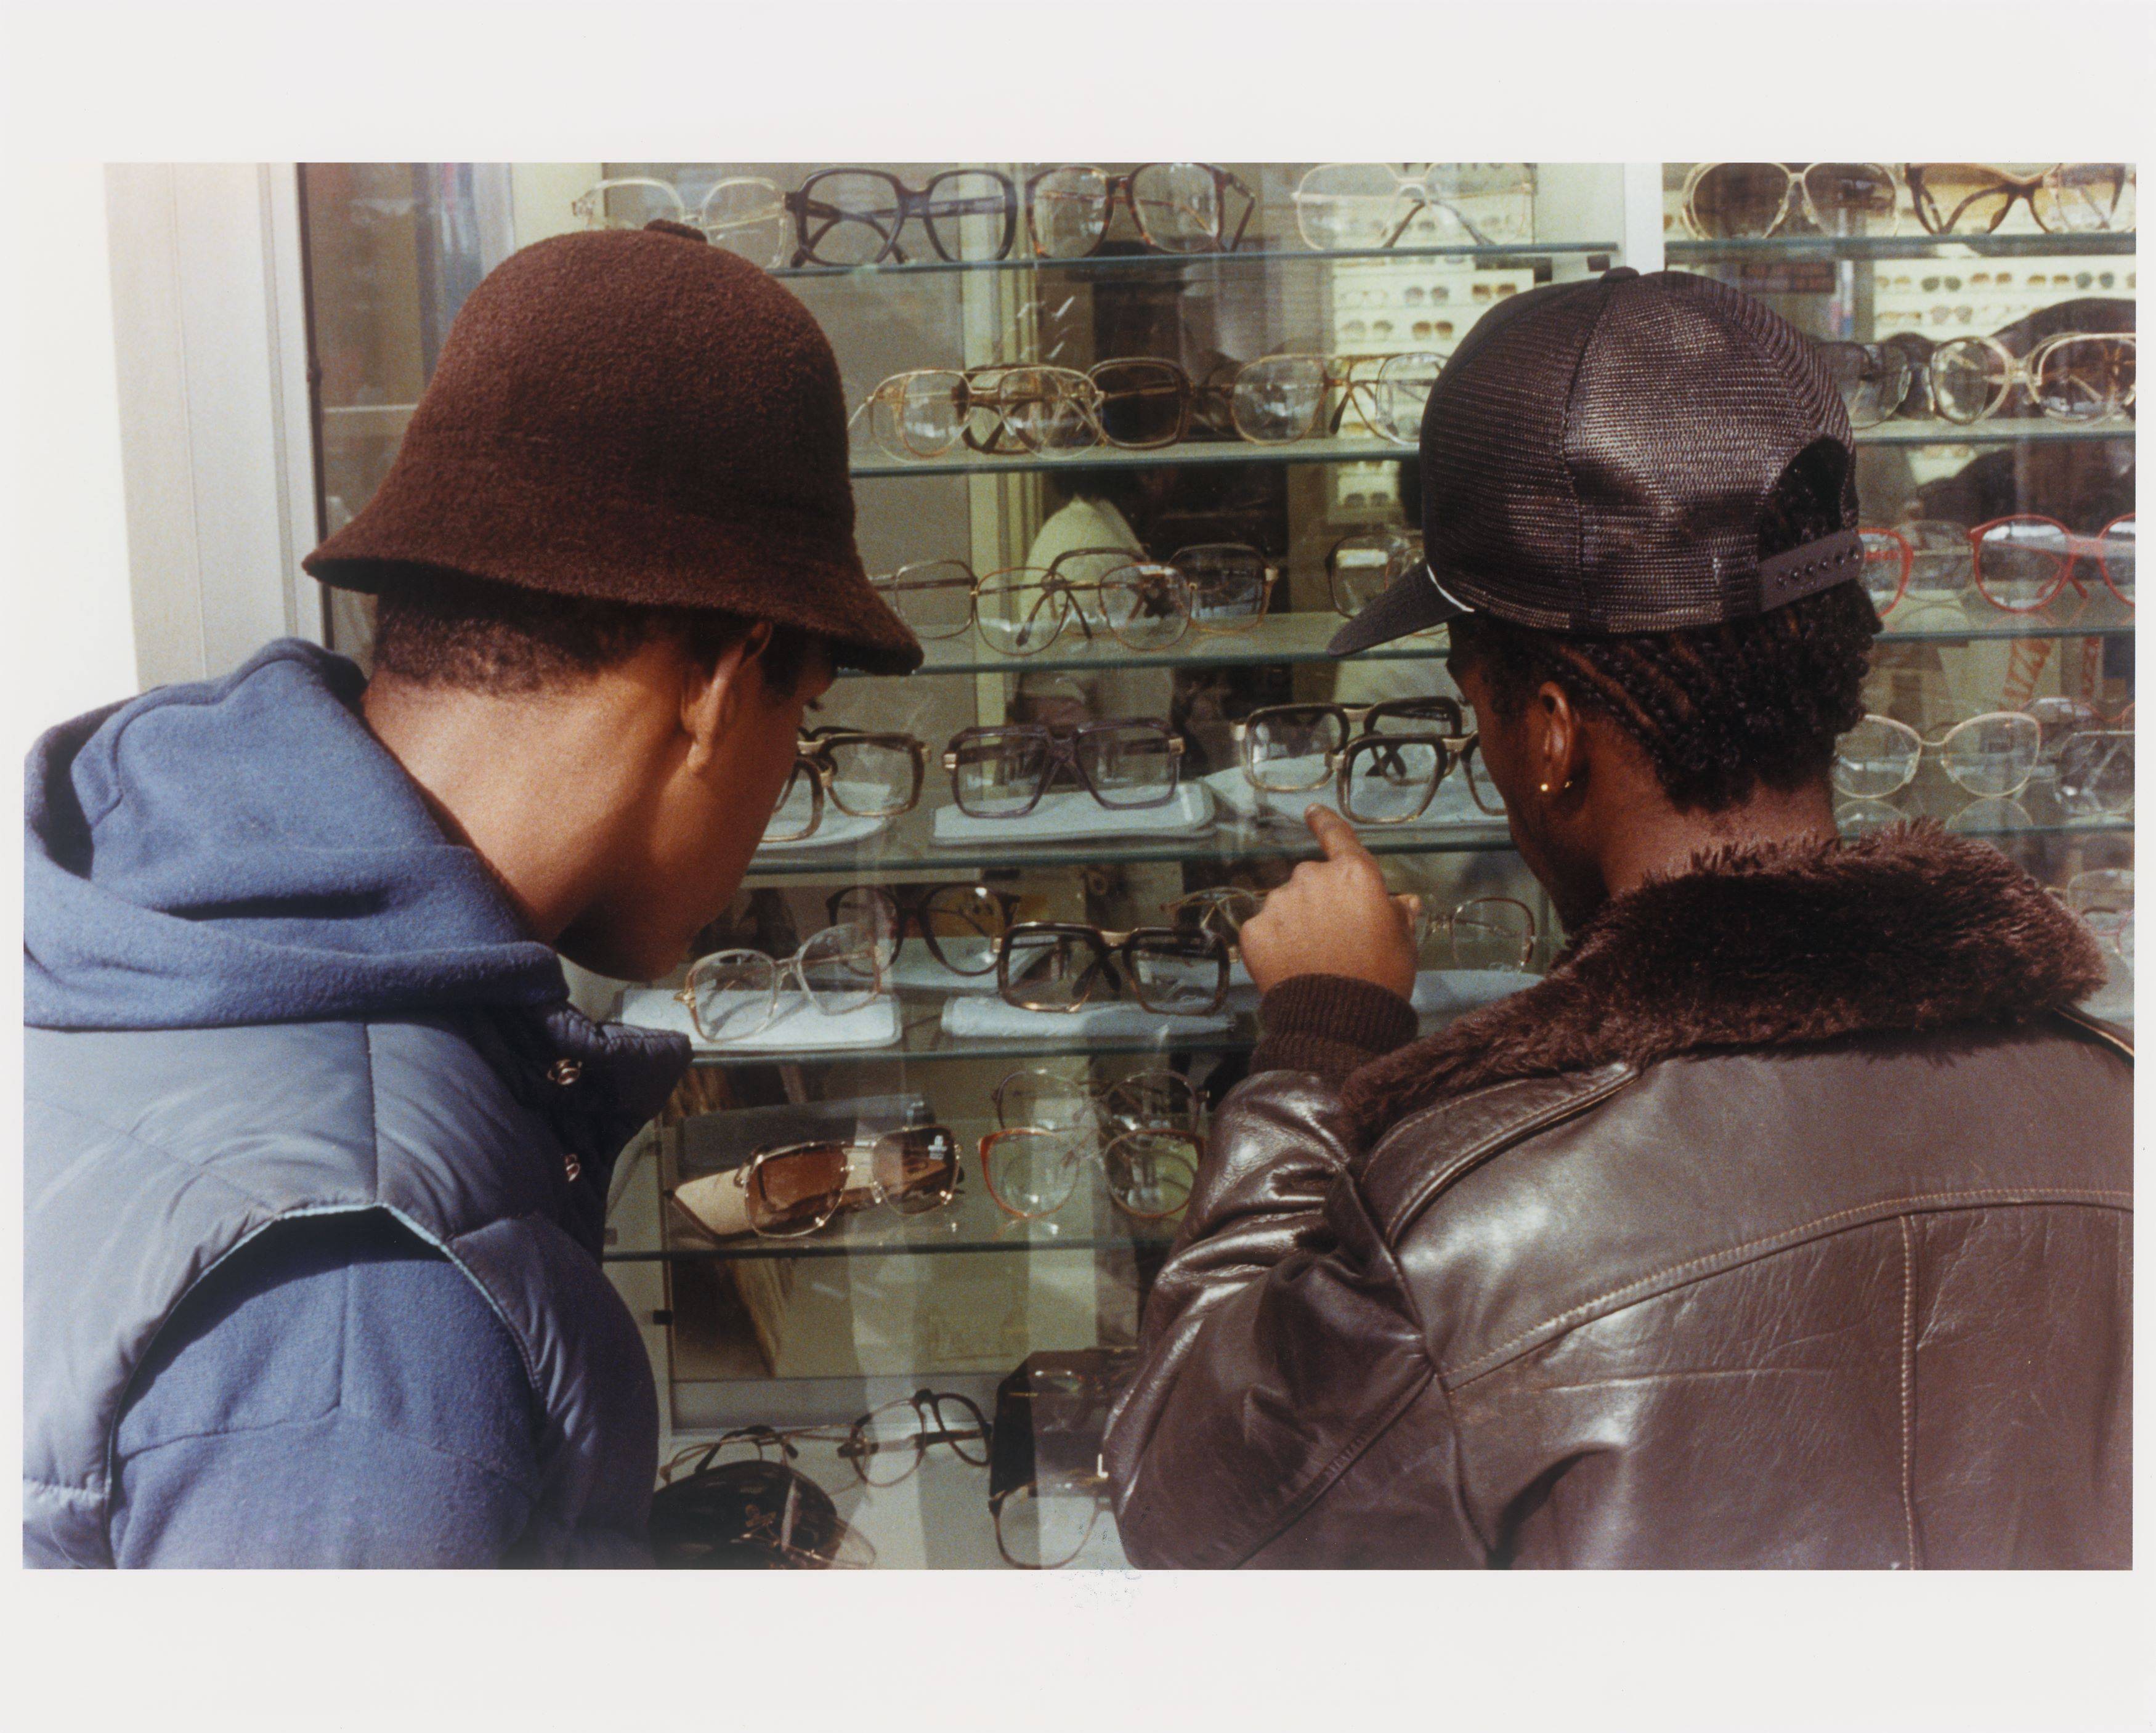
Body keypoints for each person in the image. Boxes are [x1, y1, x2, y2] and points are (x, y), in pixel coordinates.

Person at [1100, 268, 2131, 1569]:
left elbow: (1192, 1517)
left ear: (1543, 734)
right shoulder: (2110, 1107)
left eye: (1475, 699)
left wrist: (1314, 1051)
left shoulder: (1465, 1233)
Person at [23, 220, 920, 1567]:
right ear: (725, 683)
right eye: (807, 713)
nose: (784, 779)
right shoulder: (368, 1308)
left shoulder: (157, 914)